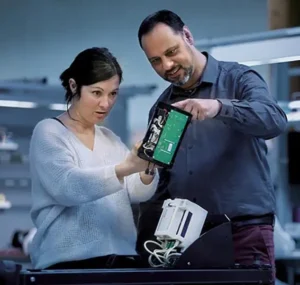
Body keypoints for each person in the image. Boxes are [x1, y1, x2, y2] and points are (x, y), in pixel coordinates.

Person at [135, 9, 287, 279]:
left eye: (172, 52)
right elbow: (162, 180)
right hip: (186, 239)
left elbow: (274, 121)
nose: (167, 66)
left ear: (188, 36)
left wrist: (219, 107)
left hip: (244, 233)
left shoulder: (238, 80)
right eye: (156, 61)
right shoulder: (163, 108)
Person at [28, 47, 159, 270]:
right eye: (97, 93)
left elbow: (136, 192)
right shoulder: (49, 131)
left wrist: (147, 167)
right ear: (73, 86)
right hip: (69, 265)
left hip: (121, 260)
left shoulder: (110, 138)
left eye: (113, 93)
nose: (106, 103)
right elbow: (68, 187)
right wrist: (124, 168)